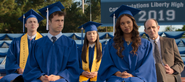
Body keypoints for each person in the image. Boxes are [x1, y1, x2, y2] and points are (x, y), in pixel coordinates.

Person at [22, 1, 80, 82]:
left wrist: (58, 77)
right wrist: (41, 77)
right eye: (57, 20)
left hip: (61, 79)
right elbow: (31, 67)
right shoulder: (38, 44)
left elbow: (73, 68)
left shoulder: (70, 43)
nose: (60, 24)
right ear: (48, 22)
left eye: (62, 20)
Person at [97, 5, 156, 82]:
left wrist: (132, 75)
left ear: (133, 23)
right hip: (117, 77)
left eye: (128, 22)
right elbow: (106, 63)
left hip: (137, 77)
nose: (126, 25)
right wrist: (118, 73)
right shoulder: (112, 44)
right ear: (119, 26)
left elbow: (147, 66)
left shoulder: (145, 44)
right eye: (122, 23)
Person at [0, 9, 44, 82]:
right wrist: (18, 69)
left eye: (34, 22)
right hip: (20, 74)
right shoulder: (17, 42)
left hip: (39, 74)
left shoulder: (45, 41)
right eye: (30, 22)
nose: (32, 24)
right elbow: (11, 59)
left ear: (38, 25)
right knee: (7, 79)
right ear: (25, 25)